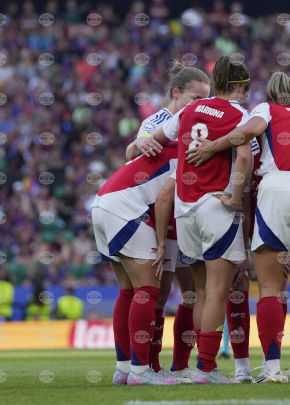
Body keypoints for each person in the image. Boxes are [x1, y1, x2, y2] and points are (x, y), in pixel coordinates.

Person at [185, 71, 290, 384]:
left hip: (279, 186)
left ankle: (272, 368)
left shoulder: (266, 109)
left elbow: (248, 132)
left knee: (269, 288)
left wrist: (212, 146)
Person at [152, 55, 254, 384]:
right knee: (217, 293)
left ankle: (202, 366)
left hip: (184, 208)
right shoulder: (238, 114)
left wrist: (137, 145)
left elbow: (159, 138)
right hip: (215, 206)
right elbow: (243, 156)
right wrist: (235, 196)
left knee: (198, 290)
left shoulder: (189, 109)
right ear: (240, 87)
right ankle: (207, 368)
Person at [126, 62, 210, 382]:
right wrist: (136, 146)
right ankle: (150, 366)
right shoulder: (155, 122)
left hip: (188, 215)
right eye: (194, 98)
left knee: (192, 293)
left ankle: (181, 365)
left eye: (205, 99)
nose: (199, 104)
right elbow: (136, 158)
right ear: (176, 93)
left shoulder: (200, 124)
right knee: (159, 295)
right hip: (159, 217)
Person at [93, 119, 184, 385]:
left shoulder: (166, 142)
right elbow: (164, 197)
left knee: (128, 290)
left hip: (103, 202)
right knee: (148, 289)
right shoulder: (188, 152)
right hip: (125, 207)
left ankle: (124, 370)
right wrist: (162, 243)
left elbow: (133, 154)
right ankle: (141, 372)